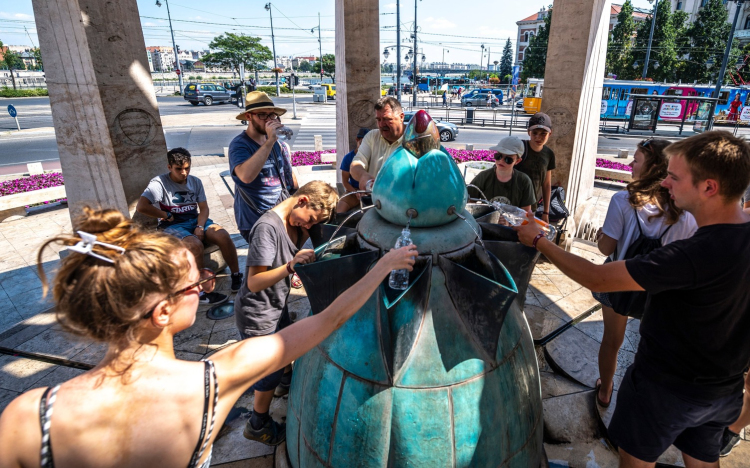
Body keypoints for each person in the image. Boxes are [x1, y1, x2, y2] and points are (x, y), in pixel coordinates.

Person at [0, 207, 417, 468]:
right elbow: (329, 319)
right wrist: (385, 268)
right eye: (194, 283)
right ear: (162, 312)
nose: (205, 283)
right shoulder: (214, 382)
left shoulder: (27, 417)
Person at [513, 130, 750, 467]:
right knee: (701, 458)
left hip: (665, 389)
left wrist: (539, 240)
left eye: (674, 177)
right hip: (721, 391)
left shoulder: (692, 256)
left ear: (709, 187)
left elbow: (597, 277)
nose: (666, 183)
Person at [591, 138, 697, 409]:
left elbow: (606, 247)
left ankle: (605, 391)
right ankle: (642, 399)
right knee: (651, 346)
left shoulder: (622, 200)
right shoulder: (685, 211)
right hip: (660, 291)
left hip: (618, 283)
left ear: (650, 167)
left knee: (612, 340)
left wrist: (601, 236)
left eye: (636, 160)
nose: (630, 164)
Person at [236, 181, 338, 445]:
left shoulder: (294, 220)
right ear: (302, 200)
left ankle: (284, 383)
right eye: (310, 220)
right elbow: (254, 282)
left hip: (275, 303)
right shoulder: (267, 229)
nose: (308, 226)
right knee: (267, 368)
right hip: (257, 312)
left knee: (283, 347)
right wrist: (290, 267)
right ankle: (257, 423)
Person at [136, 147, 241, 301]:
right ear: (169, 167)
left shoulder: (195, 182)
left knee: (223, 235)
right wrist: (165, 214)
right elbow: (141, 206)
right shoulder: (159, 183)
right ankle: (200, 292)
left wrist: (199, 226)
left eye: (187, 168)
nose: (184, 173)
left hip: (194, 220)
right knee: (195, 245)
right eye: (179, 169)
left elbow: (204, 208)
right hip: (172, 225)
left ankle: (236, 275)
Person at [229, 91, 299, 244]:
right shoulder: (240, 144)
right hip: (256, 219)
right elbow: (245, 176)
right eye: (262, 115)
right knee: (269, 265)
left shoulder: (276, 144)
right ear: (249, 116)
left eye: (271, 115)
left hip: (280, 213)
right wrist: (270, 141)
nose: (268, 120)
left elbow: (287, 175)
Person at [349, 97, 406, 191]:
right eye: (378, 120)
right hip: (373, 201)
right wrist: (363, 176)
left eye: (387, 119)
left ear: (401, 117)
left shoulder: (414, 141)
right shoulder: (372, 136)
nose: (381, 124)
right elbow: (356, 164)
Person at [467, 136, 536, 211]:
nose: (501, 160)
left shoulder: (524, 181)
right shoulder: (483, 177)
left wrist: (510, 221)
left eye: (508, 159)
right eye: (498, 156)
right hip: (486, 221)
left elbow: (526, 213)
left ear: (517, 161)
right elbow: (468, 203)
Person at [516, 112, 556, 223]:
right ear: (528, 132)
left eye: (543, 133)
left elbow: (546, 184)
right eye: (535, 133)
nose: (538, 137)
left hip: (530, 207)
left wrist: (546, 212)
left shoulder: (549, 154)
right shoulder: (520, 147)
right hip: (512, 204)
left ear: (550, 134)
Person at [337, 128, 370, 213]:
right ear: (357, 140)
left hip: (371, 190)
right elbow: (345, 182)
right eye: (362, 143)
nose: (364, 147)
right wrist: (355, 192)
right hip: (354, 190)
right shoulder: (348, 158)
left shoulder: (375, 156)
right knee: (339, 210)